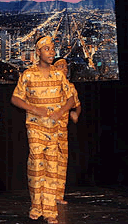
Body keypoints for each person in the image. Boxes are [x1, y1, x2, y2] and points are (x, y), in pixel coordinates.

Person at [11, 36, 75, 224]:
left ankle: (49, 210)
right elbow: (15, 98)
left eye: (52, 48)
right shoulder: (29, 74)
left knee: (52, 168)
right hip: (35, 126)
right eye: (46, 49)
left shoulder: (59, 75)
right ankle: (36, 205)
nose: (51, 52)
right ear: (38, 52)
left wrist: (61, 111)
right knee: (37, 164)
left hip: (54, 128)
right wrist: (34, 109)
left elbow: (71, 98)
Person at [52, 58, 81, 205]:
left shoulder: (70, 87)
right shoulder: (49, 85)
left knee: (62, 161)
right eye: (61, 66)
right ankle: (47, 194)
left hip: (63, 129)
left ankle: (59, 195)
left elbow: (77, 105)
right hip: (47, 128)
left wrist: (75, 113)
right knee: (49, 161)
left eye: (65, 66)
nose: (64, 68)